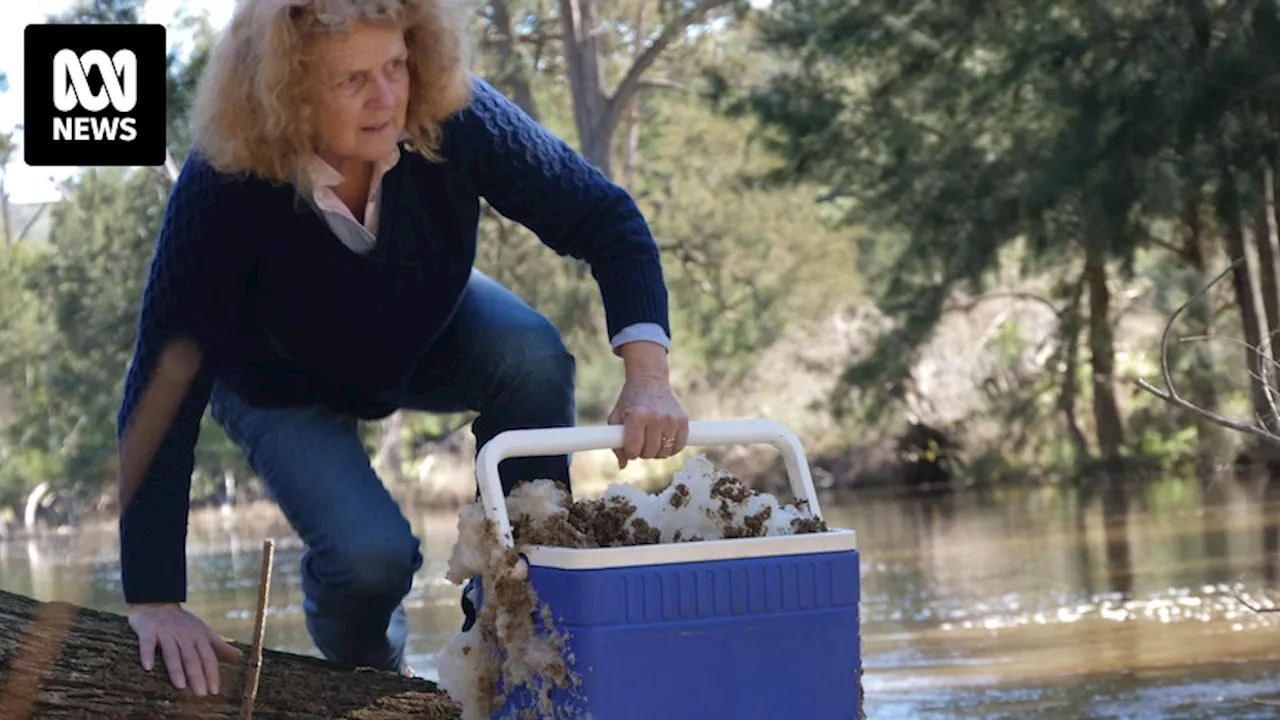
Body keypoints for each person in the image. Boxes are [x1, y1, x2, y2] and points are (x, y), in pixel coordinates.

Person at [114, 0, 690, 698]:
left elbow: (607, 219)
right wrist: (154, 598)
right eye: (352, 79)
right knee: (371, 560)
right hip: (276, 379)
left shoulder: (453, 116)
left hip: (424, 323)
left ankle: (511, 627)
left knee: (532, 355)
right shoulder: (223, 183)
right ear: (287, 90)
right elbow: (160, 389)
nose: (387, 96)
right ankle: (375, 688)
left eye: (396, 65)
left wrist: (649, 377)